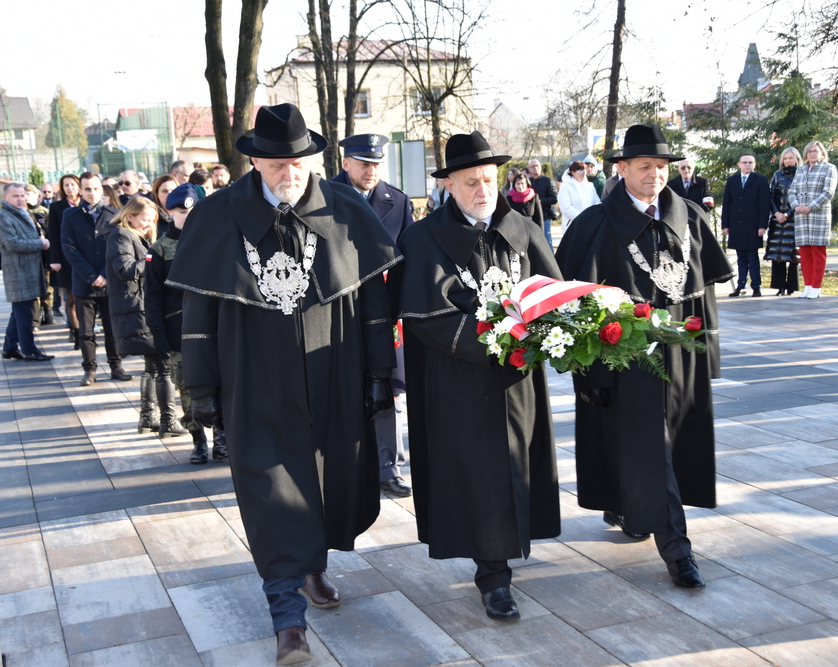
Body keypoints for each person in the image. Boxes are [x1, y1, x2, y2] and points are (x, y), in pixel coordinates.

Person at [167, 103, 399, 665]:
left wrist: (377, 372)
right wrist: (198, 386)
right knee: (270, 491)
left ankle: (314, 565)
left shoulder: (345, 210)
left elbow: (372, 302)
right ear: (254, 161)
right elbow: (197, 310)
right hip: (254, 378)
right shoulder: (219, 216)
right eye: (275, 163)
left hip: (334, 375)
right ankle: (286, 619)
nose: (288, 173)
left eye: (298, 161)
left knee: (324, 483)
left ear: (313, 159)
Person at [389, 130, 561, 623]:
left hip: (517, 381)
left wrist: (549, 330)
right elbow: (423, 315)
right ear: (448, 185)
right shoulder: (423, 238)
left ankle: (508, 552)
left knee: (514, 469)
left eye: (489, 180)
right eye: (470, 182)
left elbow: (552, 290)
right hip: (459, 379)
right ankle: (493, 576)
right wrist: (491, 343)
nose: (482, 190)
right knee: (480, 477)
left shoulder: (523, 228)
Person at [555, 124, 733, 590]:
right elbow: (574, 304)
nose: (654, 175)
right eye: (644, 167)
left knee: (663, 451)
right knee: (649, 449)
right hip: (626, 362)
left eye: (660, 167)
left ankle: (635, 508)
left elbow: (703, 292)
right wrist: (585, 371)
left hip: (682, 359)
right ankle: (678, 551)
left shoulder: (690, 217)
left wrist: (708, 352)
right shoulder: (594, 224)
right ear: (622, 169)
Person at [331, 132, 415, 498]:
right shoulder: (323, 197)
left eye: (377, 164)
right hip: (340, 311)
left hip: (384, 312)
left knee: (390, 391)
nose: (371, 170)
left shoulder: (396, 202)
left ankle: (388, 467)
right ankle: (345, 467)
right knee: (341, 389)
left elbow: (406, 261)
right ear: (345, 162)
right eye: (364, 163)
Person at [146, 184, 227, 463]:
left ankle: (221, 438)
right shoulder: (160, 250)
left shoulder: (214, 241)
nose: (188, 217)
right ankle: (197, 441)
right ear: (170, 212)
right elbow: (153, 297)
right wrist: (157, 333)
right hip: (178, 331)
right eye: (182, 212)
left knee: (221, 384)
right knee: (187, 387)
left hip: (216, 330)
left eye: (193, 211)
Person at [106, 197, 189, 437]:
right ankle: (168, 419)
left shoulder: (136, 236)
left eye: (152, 220)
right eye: (144, 218)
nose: (148, 224)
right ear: (130, 215)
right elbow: (126, 270)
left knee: (152, 367)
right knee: (162, 367)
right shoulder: (120, 235)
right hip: (137, 310)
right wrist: (153, 259)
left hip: (138, 308)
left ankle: (147, 417)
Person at [61, 172, 133, 386]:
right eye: (87, 189)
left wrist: (104, 273)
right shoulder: (70, 215)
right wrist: (92, 276)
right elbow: (70, 249)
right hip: (84, 283)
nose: (92, 193)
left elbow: (119, 246)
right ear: (80, 191)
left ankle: (116, 366)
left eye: (95, 188)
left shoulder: (114, 213)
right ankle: (90, 369)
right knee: (86, 331)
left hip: (109, 281)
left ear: (102, 190)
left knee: (113, 328)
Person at [0, 182, 54, 362]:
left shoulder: (23, 212)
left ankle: (10, 348)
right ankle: (29, 350)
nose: (20, 199)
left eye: (22, 195)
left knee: (19, 312)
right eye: (15, 196)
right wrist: (40, 244)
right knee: (24, 313)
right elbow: (13, 244)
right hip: (18, 271)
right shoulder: (3, 217)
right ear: (5, 198)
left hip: (30, 269)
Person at [788, 140, 838, 299]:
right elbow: (792, 191)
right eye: (809, 151)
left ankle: (816, 286)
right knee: (804, 253)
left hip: (818, 215)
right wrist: (796, 206)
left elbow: (828, 192)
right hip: (801, 216)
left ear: (822, 153)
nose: (812, 154)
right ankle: (808, 285)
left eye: (815, 151)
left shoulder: (829, 168)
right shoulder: (801, 170)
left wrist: (810, 206)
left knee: (818, 252)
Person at [722, 153, 770, 297]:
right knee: (741, 258)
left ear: (754, 164)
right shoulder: (732, 180)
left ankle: (756, 286)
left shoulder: (760, 180)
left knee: (753, 258)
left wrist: (762, 226)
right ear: (739, 164)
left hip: (753, 226)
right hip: (736, 225)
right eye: (744, 162)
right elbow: (726, 203)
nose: (747, 165)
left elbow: (764, 204)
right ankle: (740, 285)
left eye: (750, 162)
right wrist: (725, 224)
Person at [47, 174, 82, 347]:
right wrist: (54, 260)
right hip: (65, 258)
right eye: (66, 185)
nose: (70, 188)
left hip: (85, 257)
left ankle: (86, 332)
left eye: (73, 184)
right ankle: (75, 333)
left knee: (86, 299)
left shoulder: (86, 204)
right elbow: (52, 234)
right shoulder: (56, 207)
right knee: (71, 299)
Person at [764, 147, 802, 296]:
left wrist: (788, 213)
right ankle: (779, 286)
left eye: (790, 158)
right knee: (777, 254)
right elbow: (771, 195)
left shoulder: (801, 174)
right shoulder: (777, 175)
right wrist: (777, 213)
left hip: (794, 218)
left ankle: (792, 286)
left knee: (792, 254)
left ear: (796, 159)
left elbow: (801, 196)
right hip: (777, 219)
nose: (787, 161)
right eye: (785, 158)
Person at [25, 184, 55, 326]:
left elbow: (50, 232)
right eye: (25, 194)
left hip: (45, 255)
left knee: (47, 287)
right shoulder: (22, 212)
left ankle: (49, 315)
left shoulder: (44, 211)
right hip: (31, 256)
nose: (26, 197)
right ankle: (35, 317)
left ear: (37, 196)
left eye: (29, 194)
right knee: (34, 287)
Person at [558, 160, 601, 233]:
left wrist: (593, 218)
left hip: (590, 226)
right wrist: (582, 219)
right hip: (573, 226)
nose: (584, 172)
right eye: (580, 170)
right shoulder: (565, 186)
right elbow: (566, 207)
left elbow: (597, 204)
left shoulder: (590, 186)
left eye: (584, 169)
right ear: (573, 172)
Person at [528, 158, 558, 247]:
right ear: (529, 169)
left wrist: (539, 202)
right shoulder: (528, 182)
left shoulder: (548, 181)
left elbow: (554, 198)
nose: (535, 168)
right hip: (531, 217)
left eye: (537, 166)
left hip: (545, 216)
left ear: (540, 167)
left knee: (547, 242)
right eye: (532, 166)